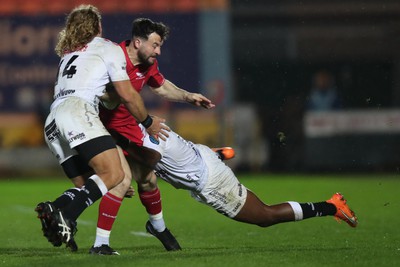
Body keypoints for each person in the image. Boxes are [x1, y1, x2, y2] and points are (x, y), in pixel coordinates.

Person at [34, 5, 168, 251]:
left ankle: (57, 209)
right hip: (78, 111)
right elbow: (126, 93)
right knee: (115, 175)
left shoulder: (68, 53)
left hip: (53, 119)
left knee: (90, 183)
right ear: (98, 26)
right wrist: (148, 122)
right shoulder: (109, 48)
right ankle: (68, 217)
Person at [91, 17, 215, 255]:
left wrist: (189, 96)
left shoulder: (146, 64)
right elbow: (99, 94)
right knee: (120, 181)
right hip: (102, 130)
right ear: (138, 42)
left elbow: (160, 86)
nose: (158, 51)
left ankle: (157, 227)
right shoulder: (112, 56)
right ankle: (99, 244)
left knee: (148, 179)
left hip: (129, 130)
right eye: (155, 45)